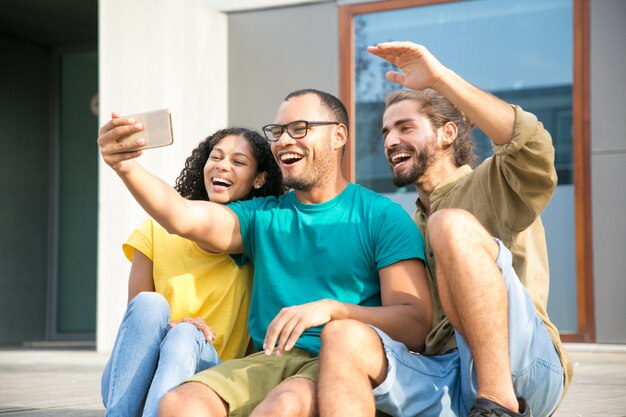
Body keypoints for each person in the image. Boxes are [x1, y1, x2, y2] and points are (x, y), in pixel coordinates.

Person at [97, 89, 433, 417]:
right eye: (278, 131)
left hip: (338, 363)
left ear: (338, 135)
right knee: (178, 404)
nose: (284, 140)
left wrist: (332, 310)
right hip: (268, 362)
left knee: (282, 406)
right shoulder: (262, 215)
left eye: (299, 128)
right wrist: (126, 167)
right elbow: (182, 216)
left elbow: (415, 323)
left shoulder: (381, 216)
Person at [317, 42, 572, 417]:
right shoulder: (402, 225)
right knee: (341, 337)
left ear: (448, 133)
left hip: (523, 368)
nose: (390, 141)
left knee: (448, 224)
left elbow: (530, 144)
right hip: (443, 374)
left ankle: (499, 403)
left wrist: (440, 79)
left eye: (405, 127)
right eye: (386, 131)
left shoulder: (497, 184)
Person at [100, 125, 285, 417]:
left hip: (204, 381)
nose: (222, 166)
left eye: (238, 162)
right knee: (151, 304)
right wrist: (172, 325)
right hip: (131, 378)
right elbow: (137, 324)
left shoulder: (259, 241)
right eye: (216, 157)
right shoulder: (154, 230)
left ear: (259, 178)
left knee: (186, 336)